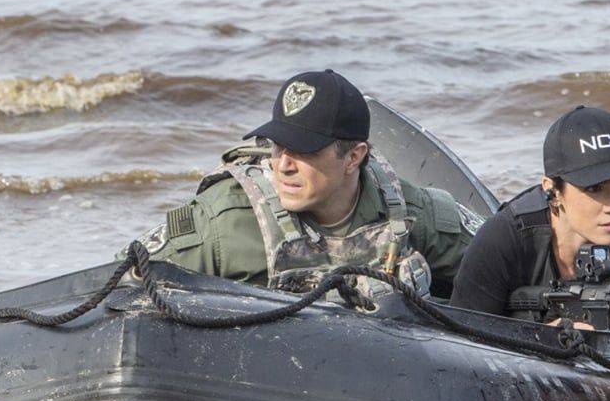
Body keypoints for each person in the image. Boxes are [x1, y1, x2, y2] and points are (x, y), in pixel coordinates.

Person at [144, 69, 480, 298]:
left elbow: (507, 266)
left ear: (353, 157)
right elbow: (120, 286)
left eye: (303, 150)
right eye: (278, 146)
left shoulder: (412, 213)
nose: (283, 165)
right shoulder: (223, 221)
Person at [450, 106, 610, 339]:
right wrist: (540, 337)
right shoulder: (506, 236)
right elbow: (459, 342)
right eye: (594, 188)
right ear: (552, 190)